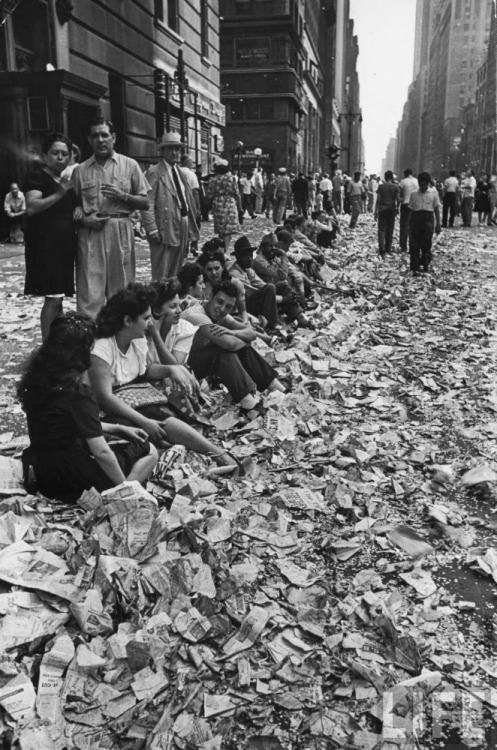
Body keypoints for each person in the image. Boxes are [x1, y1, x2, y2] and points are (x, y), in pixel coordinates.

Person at [88, 283, 236, 468]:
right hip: (103, 410)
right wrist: (143, 421)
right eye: (146, 318)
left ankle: (215, 453)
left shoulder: (137, 340)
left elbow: (145, 370)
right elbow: (104, 397)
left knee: (162, 415)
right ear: (127, 321)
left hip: (130, 400)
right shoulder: (102, 347)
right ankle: (217, 454)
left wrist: (171, 370)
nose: (150, 323)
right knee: (155, 420)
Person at [17, 312, 158, 501]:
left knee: (116, 442)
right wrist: (122, 486)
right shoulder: (77, 393)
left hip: (45, 474)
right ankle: (123, 494)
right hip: (76, 480)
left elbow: (63, 425)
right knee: (149, 450)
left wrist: (118, 428)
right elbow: (101, 452)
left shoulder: (37, 380)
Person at [72, 117, 150, 317]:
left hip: (120, 229)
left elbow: (145, 202)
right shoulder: (80, 171)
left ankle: (119, 338)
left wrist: (122, 195)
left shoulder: (130, 165)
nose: (100, 139)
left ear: (113, 138)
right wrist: (83, 218)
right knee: (90, 288)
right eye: (95, 135)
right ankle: (91, 340)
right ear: (89, 140)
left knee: (122, 288)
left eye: (104, 135)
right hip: (91, 232)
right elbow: (72, 204)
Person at [182, 280, 285, 410]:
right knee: (221, 351)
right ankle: (248, 403)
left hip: (199, 365)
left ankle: (274, 386)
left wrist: (232, 332)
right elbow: (230, 344)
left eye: (228, 307)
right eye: (219, 302)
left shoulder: (221, 315)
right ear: (210, 297)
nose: (222, 309)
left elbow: (251, 333)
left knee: (239, 347)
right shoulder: (196, 315)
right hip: (182, 369)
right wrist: (241, 338)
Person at [24, 132, 77, 340]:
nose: (60, 157)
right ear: (45, 155)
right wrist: (58, 194)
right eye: (55, 153)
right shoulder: (37, 176)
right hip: (45, 247)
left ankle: (58, 341)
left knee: (59, 298)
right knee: (53, 298)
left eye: (65, 153)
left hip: (63, 247)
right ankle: (47, 348)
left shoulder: (64, 180)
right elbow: (31, 207)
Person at [141, 132, 199, 281]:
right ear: (163, 151)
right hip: (164, 226)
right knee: (162, 269)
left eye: (178, 149)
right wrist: (152, 228)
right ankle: (159, 300)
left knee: (177, 269)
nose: (175, 153)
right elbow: (147, 202)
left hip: (181, 223)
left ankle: (171, 300)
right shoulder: (154, 172)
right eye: (171, 149)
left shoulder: (179, 171)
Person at [252, 234, 313, 328]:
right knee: (283, 286)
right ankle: (294, 318)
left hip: (271, 291)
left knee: (284, 285)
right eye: (270, 246)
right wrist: (283, 255)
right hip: (262, 296)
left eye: (275, 246)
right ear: (263, 247)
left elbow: (287, 272)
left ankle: (299, 316)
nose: (273, 248)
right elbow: (282, 275)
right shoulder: (260, 261)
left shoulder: (271, 258)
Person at [229, 235, 282, 331]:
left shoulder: (248, 269)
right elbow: (252, 292)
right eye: (246, 256)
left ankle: (299, 316)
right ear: (238, 257)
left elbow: (261, 285)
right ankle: (272, 325)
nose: (250, 258)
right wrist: (282, 299)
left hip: (256, 299)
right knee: (270, 288)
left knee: (282, 286)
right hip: (244, 306)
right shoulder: (234, 273)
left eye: (251, 255)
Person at [148, 278, 197, 365]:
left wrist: (156, 335)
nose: (179, 311)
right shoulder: (141, 329)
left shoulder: (185, 329)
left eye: (179, 305)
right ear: (156, 310)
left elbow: (176, 365)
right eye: (173, 306)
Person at [407, 171, 441, 274]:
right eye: (420, 185)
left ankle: (425, 262)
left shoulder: (434, 193)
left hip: (428, 218)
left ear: (428, 183)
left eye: (424, 185)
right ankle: (415, 267)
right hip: (416, 219)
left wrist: (438, 224)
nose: (422, 187)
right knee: (414, 244)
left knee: (426, 243)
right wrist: (408, 224)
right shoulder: (413, 194)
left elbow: (436, 209)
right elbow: (411, 210)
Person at [205, 160, 241, 253]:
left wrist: (207, 205)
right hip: (230, 203)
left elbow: (209, 195)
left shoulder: (213, 179)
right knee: (228, 231)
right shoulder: (232, 178)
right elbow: (237, 193)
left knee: (221, 230)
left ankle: (221, 250)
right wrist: (240, 207)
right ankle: (224, 251)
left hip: (218, 204)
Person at [180, 153, 202, 254]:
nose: (192, 163)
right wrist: (197, 208)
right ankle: (194, 246)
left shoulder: (175, 171)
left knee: (182, 227)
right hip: (190, 203)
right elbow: (195, 192)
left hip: (178, 205)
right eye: (191, 161)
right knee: (194, 224)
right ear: (187, 162)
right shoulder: (191, 174)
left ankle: (184, 249)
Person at [374, 170, 400, 257]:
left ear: (385, 177)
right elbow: (398, 199)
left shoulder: (381, 187)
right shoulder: (395, 187)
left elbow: (378, 200)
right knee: (390, 229)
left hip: (382, 209)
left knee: (381, 230)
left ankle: (381, 250)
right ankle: (388, 249)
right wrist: (397, 208)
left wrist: (375, 212)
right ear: (392, 178)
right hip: (391, 209)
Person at [398, 169, 418, 252]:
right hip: (415, 206)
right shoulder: (417, 181)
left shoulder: (402, 182)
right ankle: (412, 247)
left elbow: (399, 194)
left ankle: (403, 246)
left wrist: (400, 201)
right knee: (413, 227)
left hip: (405, 204)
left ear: (405, 174)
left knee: (404, 226)